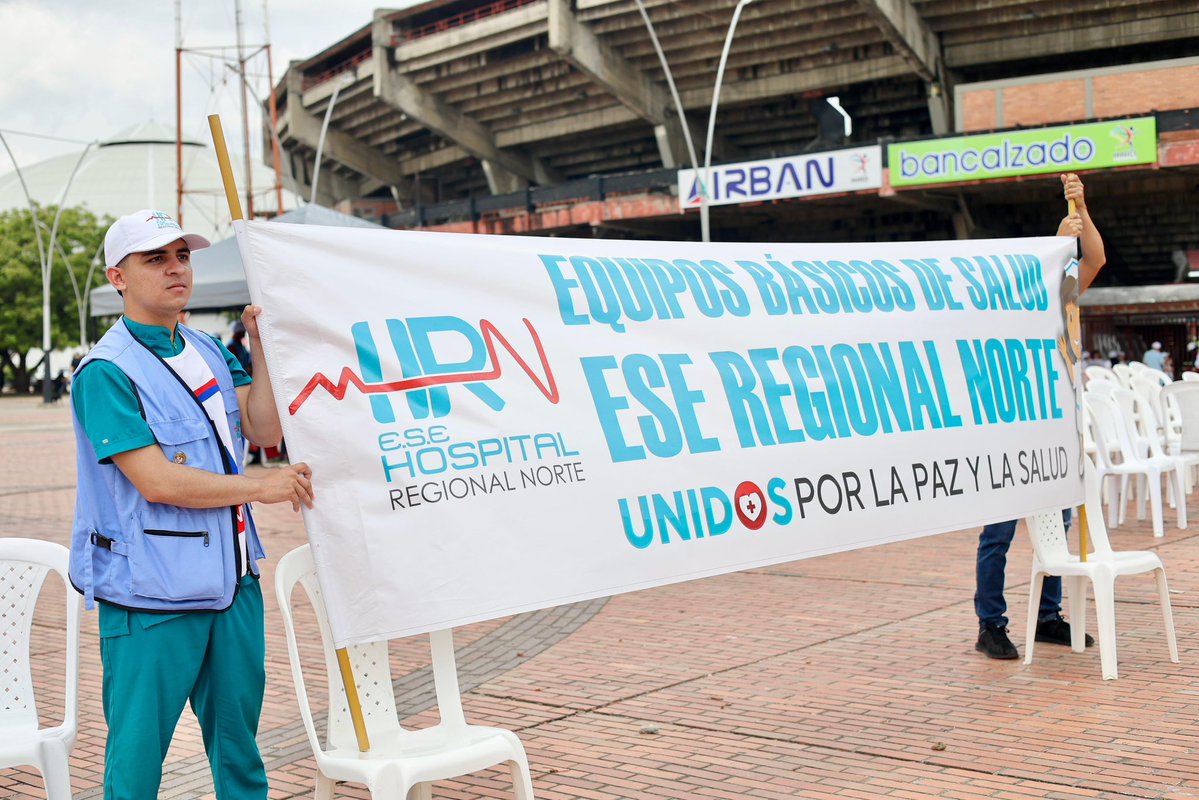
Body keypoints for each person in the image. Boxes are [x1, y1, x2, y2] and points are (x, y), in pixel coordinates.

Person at [68, 209, 315, 799]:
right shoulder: (105, 372)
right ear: (118, 277)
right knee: (136, 764)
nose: (176, 269)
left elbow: (261, 428)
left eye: (182, 256)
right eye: (155, 259)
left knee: (240, 755)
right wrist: (262, 487)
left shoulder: (207, 348)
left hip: (233, 582)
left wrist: (261, 346)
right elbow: (157, 482)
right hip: (150, 594)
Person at [975, 173, 1106, 659]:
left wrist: (1081, 208)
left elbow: (1095, 258)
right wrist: (1057, 239)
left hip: (1053, 428)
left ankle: (1048, 616)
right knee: (999, 534)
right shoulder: (1006, 308)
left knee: (1057, 524)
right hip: (1007, 430)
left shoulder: (1062, 297)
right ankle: (990, 624)